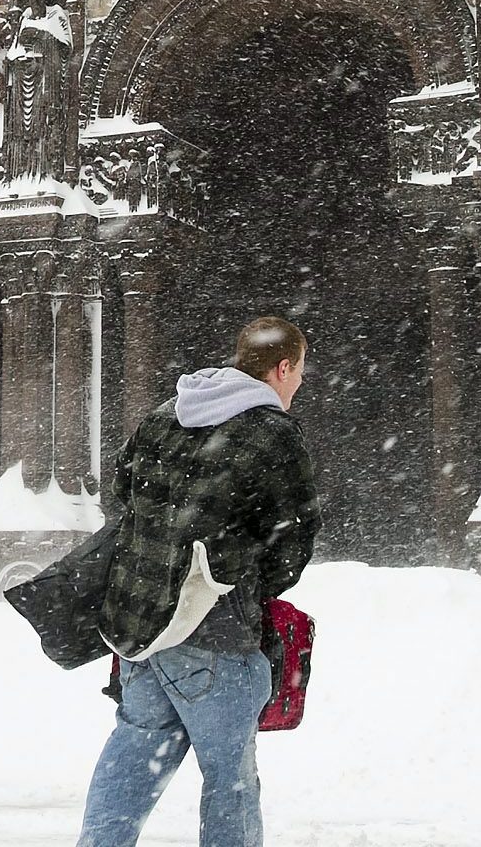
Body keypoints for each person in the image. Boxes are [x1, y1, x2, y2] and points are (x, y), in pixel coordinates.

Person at [76, 315, 319, 847]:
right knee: (230, 779)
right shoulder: (272, 431)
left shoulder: (166, 412)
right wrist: (246, 579)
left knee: (135, 754)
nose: (299, 383)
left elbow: (124, 493)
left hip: (139, 626)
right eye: (299, 371)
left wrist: (163, 555)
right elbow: (295, 535)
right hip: (212, 629)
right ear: (282, 368)